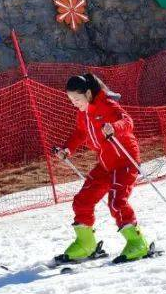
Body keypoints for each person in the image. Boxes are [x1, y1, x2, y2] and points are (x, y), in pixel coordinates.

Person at [51, 73, 151, 263]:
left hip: (125, 162)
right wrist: (67, 149)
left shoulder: (107, 104)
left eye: (77, 99)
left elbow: (128, 122)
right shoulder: (82, 113)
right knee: (82, 200)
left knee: (116, 201)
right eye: (71, 100)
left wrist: (114, 127)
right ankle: (85, 244)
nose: (74, 103)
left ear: (88, 93)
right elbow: (81, 133)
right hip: (106, 164)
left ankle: (137, 243)